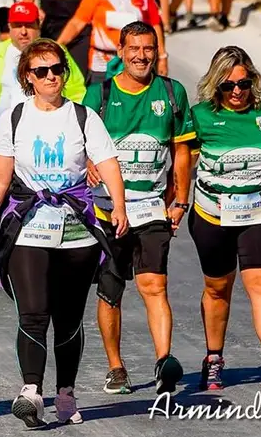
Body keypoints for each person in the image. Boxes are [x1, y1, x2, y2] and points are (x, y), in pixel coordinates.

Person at [0, 38, 127, 429]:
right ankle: (31, 391)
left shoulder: (83, 116)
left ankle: (66, 392)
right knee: (34, 311)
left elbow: (107, 162)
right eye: (42, 71)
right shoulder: (14, 118)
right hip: (29, 228)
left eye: (57, 69)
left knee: (69, 318)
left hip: (77, 231)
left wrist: (119, 205)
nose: (51, 76)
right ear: (28, 76)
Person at [80, 21, 191, 396]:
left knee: (154, 285)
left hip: (151, 208)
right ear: (120, 52)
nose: (142, 56)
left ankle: (164, 363)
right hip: (106, 211)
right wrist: (89, 165)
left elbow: (182, 151)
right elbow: (78, 144)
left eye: (148, 49)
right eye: (134, 49)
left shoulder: (172, 93)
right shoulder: (100, 94)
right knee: (110, 290)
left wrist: (180, 201)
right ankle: (116, 367)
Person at [188, 46, 261, 393]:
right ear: (215, 87)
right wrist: (174, 202)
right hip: (212, 214)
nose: (237, 91)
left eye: (244, 83)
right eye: (228, 86)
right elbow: (183, 163)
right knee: (218, 288)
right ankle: (213, 358)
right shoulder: (201, 116)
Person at [0, 1, 85, 158]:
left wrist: (74, 127)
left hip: (49, 133)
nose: (23, 32)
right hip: (7, 136)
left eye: (29, 25)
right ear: (9, 27)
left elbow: (76, 91)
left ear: (39, 25)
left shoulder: (55, 51)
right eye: (18, 25)